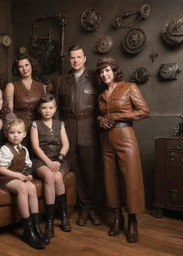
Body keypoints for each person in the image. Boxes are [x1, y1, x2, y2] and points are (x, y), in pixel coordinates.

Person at [0, 86, 46, 249]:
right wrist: (6, 167)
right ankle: (27, 232)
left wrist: (19, 170)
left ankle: (35, 227)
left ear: (3, 101)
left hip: (11, 167)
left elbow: (16, 144)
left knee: (31, 188)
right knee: (21, 187)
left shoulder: (6, 121)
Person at [96, 57, 150, 243]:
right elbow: (101, 115)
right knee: (110, 179)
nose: (105, 74)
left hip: (125, 136)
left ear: (114, 70)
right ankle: (117, 218)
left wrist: (119, 115)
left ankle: (133, 220)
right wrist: (100, 120)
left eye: (108, 70)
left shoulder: (129, 87)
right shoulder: (101, 95)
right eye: (102, 72)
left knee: (130, 178)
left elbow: (144, 111)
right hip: (106, 139)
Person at [55, 45, 101, 226]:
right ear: (69, 59)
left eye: (78, 57)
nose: (75, 60)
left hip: (89, 131)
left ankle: (91, 208)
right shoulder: (60, 80)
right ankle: (83, 210)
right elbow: (56, 109)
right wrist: (59, 132)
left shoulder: (94, 78)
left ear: (84, 58)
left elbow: (101, 106)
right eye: (72, 57)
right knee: (76, 172)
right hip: (68, 132)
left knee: (91, 172)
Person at [30, 94, 71, 239]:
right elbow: (35, 147)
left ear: (55, 109)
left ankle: (64, 216)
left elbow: (66, 144)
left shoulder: (60, 124)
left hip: (58, 159)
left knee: (58, 177)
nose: (47, 110)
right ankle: (49, 221)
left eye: (50, 108)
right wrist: (48, 162)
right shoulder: (35, 124)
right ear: (39, 110)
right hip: (41, 159)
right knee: (49, 175)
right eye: (44, 108)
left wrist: (59, 160)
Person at [5, 55, 46, 145]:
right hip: (18, 130)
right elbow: (8, 112)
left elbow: (46, 109)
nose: (24, 69)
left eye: (27, 65)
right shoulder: (11, 86)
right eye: (20, 66)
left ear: (32, 65)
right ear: (17, 69)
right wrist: (16, 131)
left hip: (38, 129)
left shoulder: (41, 86)